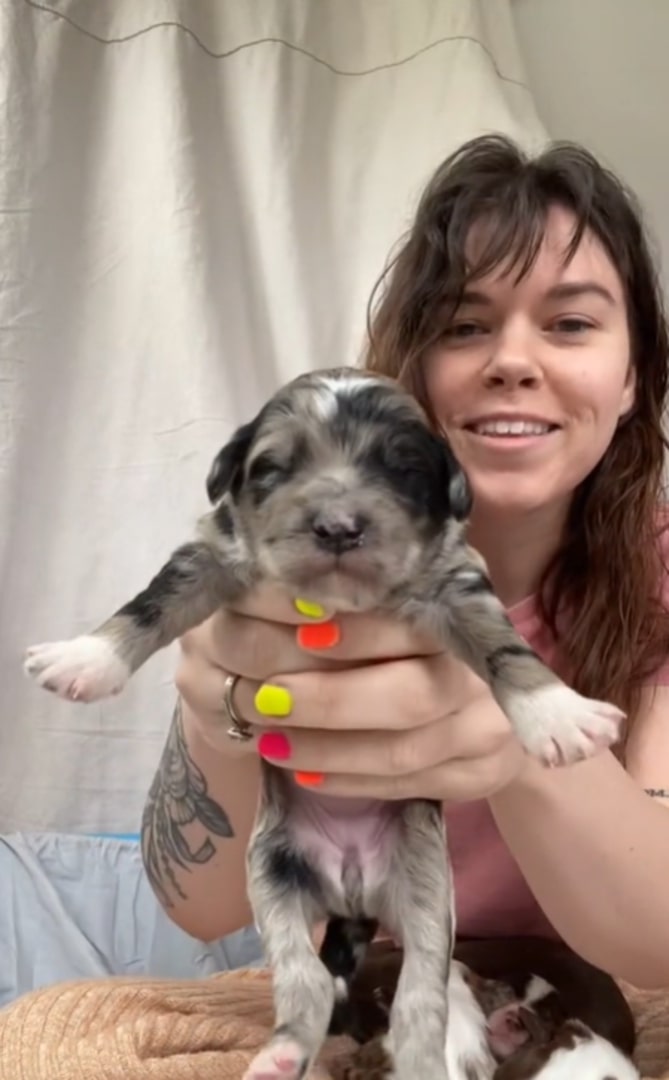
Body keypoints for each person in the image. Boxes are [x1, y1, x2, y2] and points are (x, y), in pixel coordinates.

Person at [140, 134, 669, 991]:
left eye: (569, 324)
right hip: (368, 1000)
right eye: (464, 326)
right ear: (415, 368)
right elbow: (196, 908)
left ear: (631, 377)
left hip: (589, 1005)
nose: (511, 362)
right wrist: (218, 720)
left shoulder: (656, 570)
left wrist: (509, 731)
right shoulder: (305, 549)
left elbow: (660, 949)